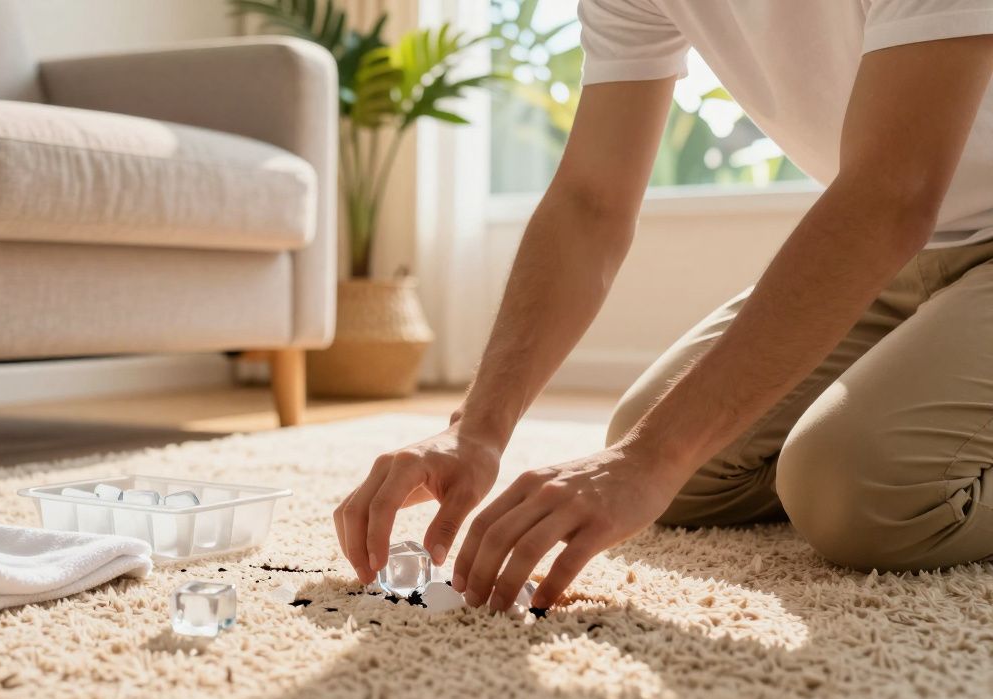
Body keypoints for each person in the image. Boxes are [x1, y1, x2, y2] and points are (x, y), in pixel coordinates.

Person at [334, 0, 993, 614]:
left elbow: (895, 192)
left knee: (857, 489)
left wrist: (650, 459)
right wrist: (476, 429)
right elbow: (591, 200)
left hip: (903, 217)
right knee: (686, 465)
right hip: (899, 257)